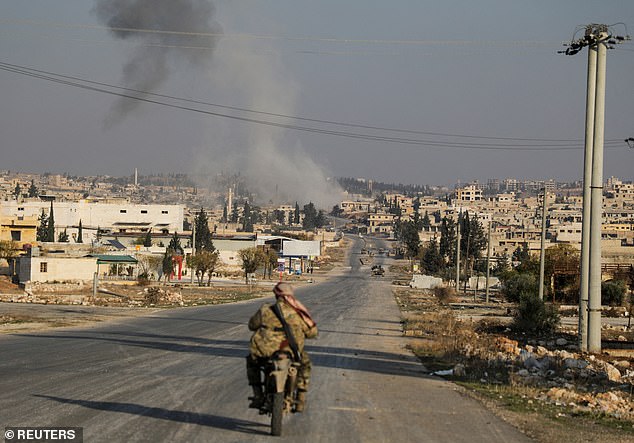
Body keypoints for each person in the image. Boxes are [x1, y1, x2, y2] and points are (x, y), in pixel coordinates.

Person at [246, 282, 318, 412]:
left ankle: (257, 394)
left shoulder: (265, 310)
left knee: (252, 362)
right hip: (291, 351)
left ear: (276, 295)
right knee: (305, 364)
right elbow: (312, 332)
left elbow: (252, 325)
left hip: (265, 351)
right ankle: (301, 398)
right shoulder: (297, 312)